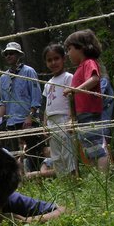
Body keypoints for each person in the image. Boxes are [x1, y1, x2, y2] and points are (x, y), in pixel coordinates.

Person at [63, 29, 109, 171]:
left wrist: (75, 90)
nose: (68, 53)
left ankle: (103, 177)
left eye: (70, 49)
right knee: (89, 148)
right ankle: (98, 179)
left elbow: (95, 79)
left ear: (81, 48)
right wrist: (71, 118)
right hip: (82, 113)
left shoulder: (89, 62)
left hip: (90, 112)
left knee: (97, 146)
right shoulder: (79, 68)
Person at [0, 42, 42, 172]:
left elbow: (36, 96)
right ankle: (20, 180)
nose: (9, 56)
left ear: (18, 55)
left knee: (34, 152)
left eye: (12, 53)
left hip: (28, 119)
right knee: (13, 154)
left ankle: (38, 179)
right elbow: (3, 102)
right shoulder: (3, 78)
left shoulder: (28, 71)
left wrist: (30, 117)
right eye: (6, 54)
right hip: (11, 121)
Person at [41, 43, 76, 176]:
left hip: (64, 119)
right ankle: (63, 181)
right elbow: (47, 106)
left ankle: (74, 178)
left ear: (63, 59)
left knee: (68, 153)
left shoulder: (68, 77)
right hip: (51, 122)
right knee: (56, 156)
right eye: (49, 60)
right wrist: (45, 125)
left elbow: (72, 100)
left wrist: (72, 119)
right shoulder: (48, 84)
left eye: (56, 58)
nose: (53, 62)